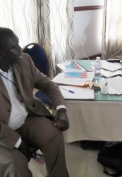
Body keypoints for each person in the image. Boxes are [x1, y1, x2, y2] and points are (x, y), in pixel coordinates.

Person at [0, 27, 70, 177]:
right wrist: (18, 142)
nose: (20, 49)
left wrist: (61, 109)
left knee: (53, 135)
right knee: (15, 166)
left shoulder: (24, 60)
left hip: (26, 118)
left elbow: (48, 84)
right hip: (3, 132)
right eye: (14, 47)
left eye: (18, 44)